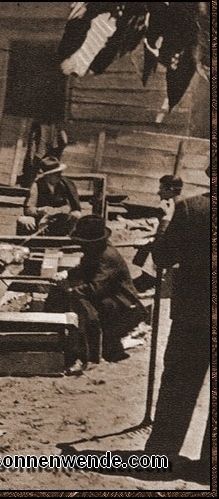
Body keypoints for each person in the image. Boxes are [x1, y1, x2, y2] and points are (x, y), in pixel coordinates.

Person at [145, 167, 210, 475]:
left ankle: (160, 457)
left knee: (178, 387)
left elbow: (161, 258)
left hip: (192, 316)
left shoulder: (190, 208)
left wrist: (165, 225)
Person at [48, 216, 146, 374]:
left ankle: (88, 357)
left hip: (123, 304)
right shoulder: (95, 250)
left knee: (82, 307)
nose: (80, 244)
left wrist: (71, 291)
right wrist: (66, 273)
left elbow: (95, 288)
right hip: (108, 295)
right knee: (69, 296)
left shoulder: (107, 256)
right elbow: (84, 269)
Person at [16, 156, 82, 236]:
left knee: (76, 215)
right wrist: (39, 210)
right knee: (24, 220)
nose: (59, 175)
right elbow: (28, 209)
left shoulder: (65, 184)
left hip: (61, 219)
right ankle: (32, 246)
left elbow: (74, 206)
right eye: (56, 173)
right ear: (47, 175)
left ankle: (67, 242)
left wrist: (61, 210)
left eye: (60, 173)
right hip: (41, 219)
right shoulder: (37, 185)